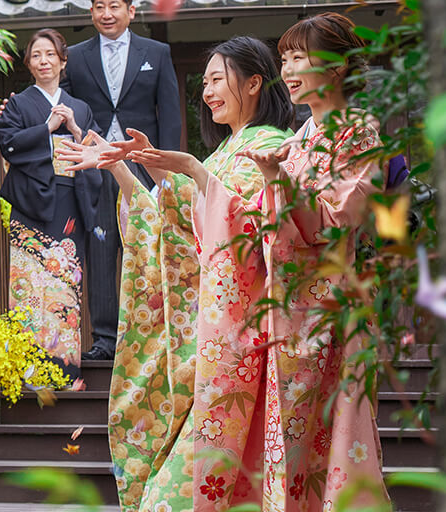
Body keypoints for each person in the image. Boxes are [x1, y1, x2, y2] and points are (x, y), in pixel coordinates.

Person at [62, 36, 293, 511]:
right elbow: (176, 229)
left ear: (254, 82)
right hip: (212, 340)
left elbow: (241, 232)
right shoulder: (224, 153)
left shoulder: (270, 147)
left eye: (216, 79)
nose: (206, 92)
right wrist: (122, 169)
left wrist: (181, 168)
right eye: (203, 81)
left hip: (244, 343)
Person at [202, 13, 391, 510]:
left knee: (327, 435)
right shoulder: (303, 135)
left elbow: (335, 222)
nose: (287, 68)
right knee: (290, 439)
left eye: (299, 57)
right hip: (285, 306)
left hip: (328, 309)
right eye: (284, 57)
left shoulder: (359, 132)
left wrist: (277, 181)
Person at [60, 0, 181, 361]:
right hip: (96, 168)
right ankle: (105, 337)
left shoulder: (156, 52)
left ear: (130, 10)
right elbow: (60, 102)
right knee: (100, 249)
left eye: (114, 6)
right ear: (91, 12)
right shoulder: (76, 57)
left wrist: (166, 168)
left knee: (149, 246)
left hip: (143, 167)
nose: (107, 13)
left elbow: (171, 115)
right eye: (99, 7)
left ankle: (154, 330)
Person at [0, 29, 104, 375]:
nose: (44, 61)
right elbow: (6, 142)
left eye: (50, 55)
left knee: (64, 284)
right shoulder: (20, 104)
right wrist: (46, 127)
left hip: (70, 201)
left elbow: (98, 152)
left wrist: (73, 129)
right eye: (37, 55)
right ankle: (27, 370)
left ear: (63, 61)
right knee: (28, 285)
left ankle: (63, 368)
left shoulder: (81, 109)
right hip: (31, 204)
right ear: (29, 63)